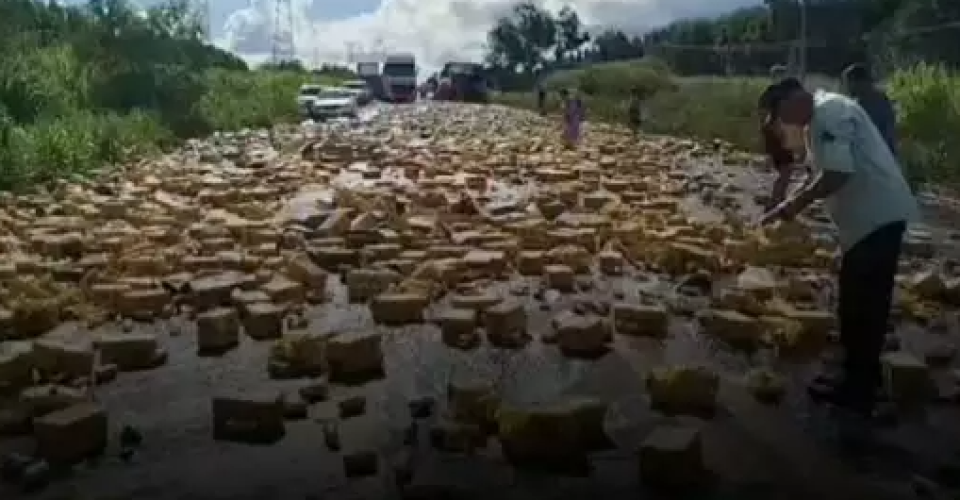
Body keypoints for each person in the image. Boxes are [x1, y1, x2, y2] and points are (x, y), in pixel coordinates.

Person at [758, 77, 919, 445]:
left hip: (877, 220)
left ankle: (861, 393)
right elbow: (821, 175)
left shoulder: (830, 111)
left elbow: (837, 173)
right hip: (865, 226)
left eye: (780, 114)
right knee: (853, 307)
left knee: (864, 309)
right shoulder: (819, 119)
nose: (783, 123)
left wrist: (792, 206)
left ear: (794, 99)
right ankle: (855, 379)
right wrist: (787, 206)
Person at [841, 63, 897, 157]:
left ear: (859, 82)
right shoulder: (855, 105)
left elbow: (888, 129)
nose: (847, 88)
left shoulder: (878, 101)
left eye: (849, 83)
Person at [758, 82, 797, 210]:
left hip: (774, 140)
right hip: (778, 142)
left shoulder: (773, 106)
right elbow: (779, 127)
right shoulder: (781, 105)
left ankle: (778, 200)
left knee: (785, 173)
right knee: (785, 174)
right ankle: (775, 202)